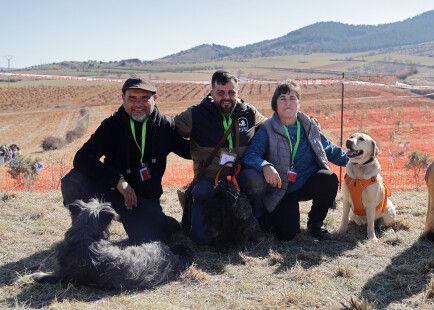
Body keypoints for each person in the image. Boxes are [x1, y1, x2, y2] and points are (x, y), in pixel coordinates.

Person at [61, 78, 191, 245]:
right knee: (73, 181)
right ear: (123, 99)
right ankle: (87, 233)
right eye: (132, 98)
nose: (138, 104)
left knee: (154, 239)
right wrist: (118, 181)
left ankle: (162, 223)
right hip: (111, 192)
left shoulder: (165, 126)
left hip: (143, 199)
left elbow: (189, 152)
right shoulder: (111, 126)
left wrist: (212, 127)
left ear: (155, 99)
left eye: (145, 98)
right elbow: (82, 158)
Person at [243, 80, 348, 241]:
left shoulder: (309, 125)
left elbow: (328, 148)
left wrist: (353, 160)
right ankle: (272, 217)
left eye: (292, 98)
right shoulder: (267, 128)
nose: (288, 103)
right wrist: (265, 166)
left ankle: (316, 223)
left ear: (299, 103)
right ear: (275, 104)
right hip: (282, 189)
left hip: (307, 182)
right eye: (283, 98)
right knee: (287, 235)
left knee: (328, 178)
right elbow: (251, 155)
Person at [175, 70, 267, 244]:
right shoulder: (196, 114)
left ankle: (257, 221)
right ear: (211, 92)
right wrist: (189, 151)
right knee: (201, 239)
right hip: (209, 178)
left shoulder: (248, 112)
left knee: (255, 180)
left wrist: (300, 120)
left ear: (238, 92)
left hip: (238, 177)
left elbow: (269, 126)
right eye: (221, 93)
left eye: (231, 92)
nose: (227, 97)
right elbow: (168, 129)